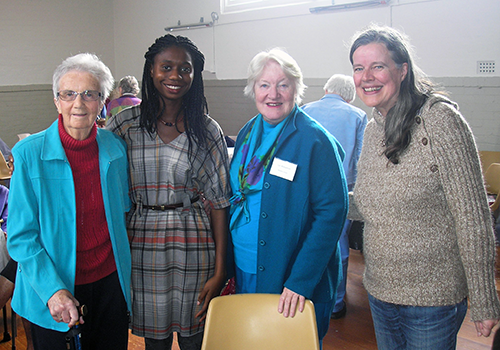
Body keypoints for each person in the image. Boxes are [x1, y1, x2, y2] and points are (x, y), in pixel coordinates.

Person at [348, 24, 500, 349]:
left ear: (402, 70)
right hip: (380, 290)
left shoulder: (440, 122)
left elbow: (473, 217)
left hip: (433, 298)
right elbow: (367, 202)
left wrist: (484, 298)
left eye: (378, 66)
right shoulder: (374, 128)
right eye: (359, 68)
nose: (367, 76)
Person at [106, 34, 230, 350]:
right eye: (167, 67)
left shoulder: (206, 128)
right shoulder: (125, 125)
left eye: (185, 69)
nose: (175, 76)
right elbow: (106, 187)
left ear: (195, 74)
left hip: (194, 242)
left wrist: (220, 272)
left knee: (194, 339)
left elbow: (219, 203)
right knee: (155, 342)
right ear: (151, 70)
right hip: (142, 243)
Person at [6, 53, 132, 350]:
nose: (79, 103)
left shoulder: (115, 148)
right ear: (56, 101)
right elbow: (22, 237)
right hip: (51, 287)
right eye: (69, 94)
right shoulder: (28, 154)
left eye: (89, 94)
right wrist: (53, 291)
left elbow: (122, 214)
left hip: (109, 286)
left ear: (102, 102)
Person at [228, 48, 348, 348]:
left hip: (288, 271)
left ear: (297, 88)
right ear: (253, 89)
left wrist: (301, 280)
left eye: (283, 84)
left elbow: (332, 213)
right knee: (253, 340)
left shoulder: (315, 140)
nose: (274, 93)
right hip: (245, 265)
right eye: (264, 84)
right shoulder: (247, 132)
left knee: (286, 342)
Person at [302, 74, 367, 319]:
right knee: (337, 241)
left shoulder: (305, 110)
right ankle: (337, 302)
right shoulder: (358, 116)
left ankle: (305, 294)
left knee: (306, 239)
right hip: (342, 187)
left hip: (306, 186)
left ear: (326, 89)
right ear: (350, 96)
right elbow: (361, 157)